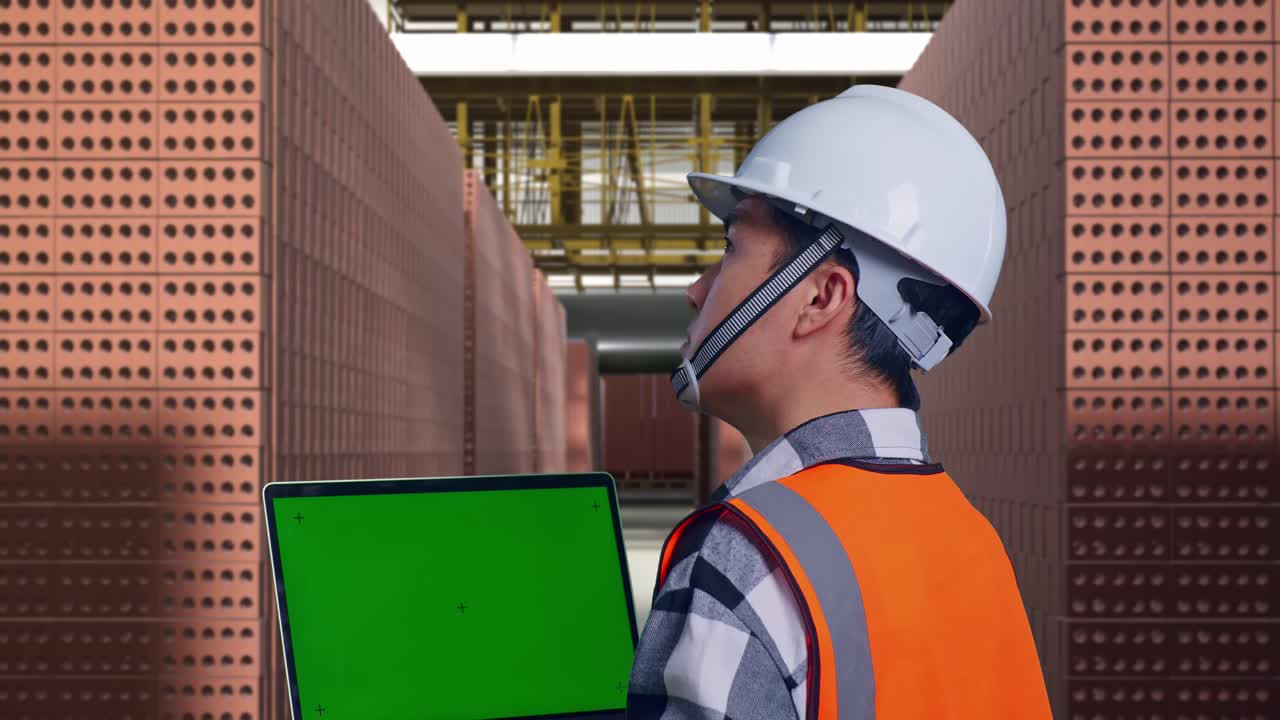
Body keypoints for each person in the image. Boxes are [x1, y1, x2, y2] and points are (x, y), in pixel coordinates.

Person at [626, 85, 1053, 719]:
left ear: (820, 296)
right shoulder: (974, 542)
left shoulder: (748, 557)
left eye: (730, 249)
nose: (697, 291)